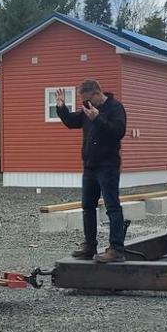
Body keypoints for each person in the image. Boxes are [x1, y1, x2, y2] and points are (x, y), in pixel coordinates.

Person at [55, 79, 128, 263]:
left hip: (108, 166)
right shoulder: (88, 109)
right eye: (83, 100)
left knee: (112, 207)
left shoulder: (115, 108)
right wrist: (62, 108)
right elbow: (72, 122)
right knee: (88, 207)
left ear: (97, 93)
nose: (86, 104)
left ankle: (116, 249)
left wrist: (98, 118)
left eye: (88, 99)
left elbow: (118, 131)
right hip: (90, 166)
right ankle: (90, 245)